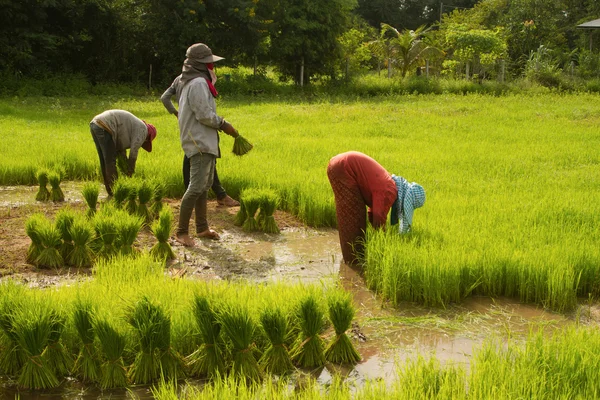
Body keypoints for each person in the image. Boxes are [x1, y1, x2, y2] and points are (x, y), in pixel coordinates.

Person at [175, 43, 239, 247]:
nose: (212, 67)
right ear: (201, 64)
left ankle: (201, 228)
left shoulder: (189, 82)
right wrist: (223, 124)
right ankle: (181, 232)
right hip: (199, 140)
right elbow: (203, 114)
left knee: (203, 187)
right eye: (209, 63)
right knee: (195, 187)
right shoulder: (197, 84)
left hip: (202, 139)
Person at [327, 151, 425, 265]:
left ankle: (351, 261)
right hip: (344, 168)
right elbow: (379, 216)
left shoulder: (389, 184)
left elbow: (373, 211)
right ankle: (354, 263)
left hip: (339, 165)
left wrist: (375, 228)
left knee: (351, 217)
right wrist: (381, 239)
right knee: (353, 220)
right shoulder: (389, 190)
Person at [161, 75, 240, 207]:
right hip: (200, 126)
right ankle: (218, 195)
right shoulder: (198, 81)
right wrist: (222, 123)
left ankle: (207, 195)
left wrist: (177, 113)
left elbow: (164, 97)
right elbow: (204, 113)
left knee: (192, 156)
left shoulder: (179, 79)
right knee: (206, 158)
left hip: (187, 124)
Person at [90, 109, 157, 196]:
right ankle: (115, 191)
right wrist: (130, 171)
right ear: (148, 137)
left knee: (104, 160)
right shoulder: (143, 130)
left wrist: (124, 164)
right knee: (110, 161)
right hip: (104, 125)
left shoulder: (133, 127)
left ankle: (110, 191)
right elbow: (133, 152)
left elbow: (120, 150)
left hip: (95, 124)